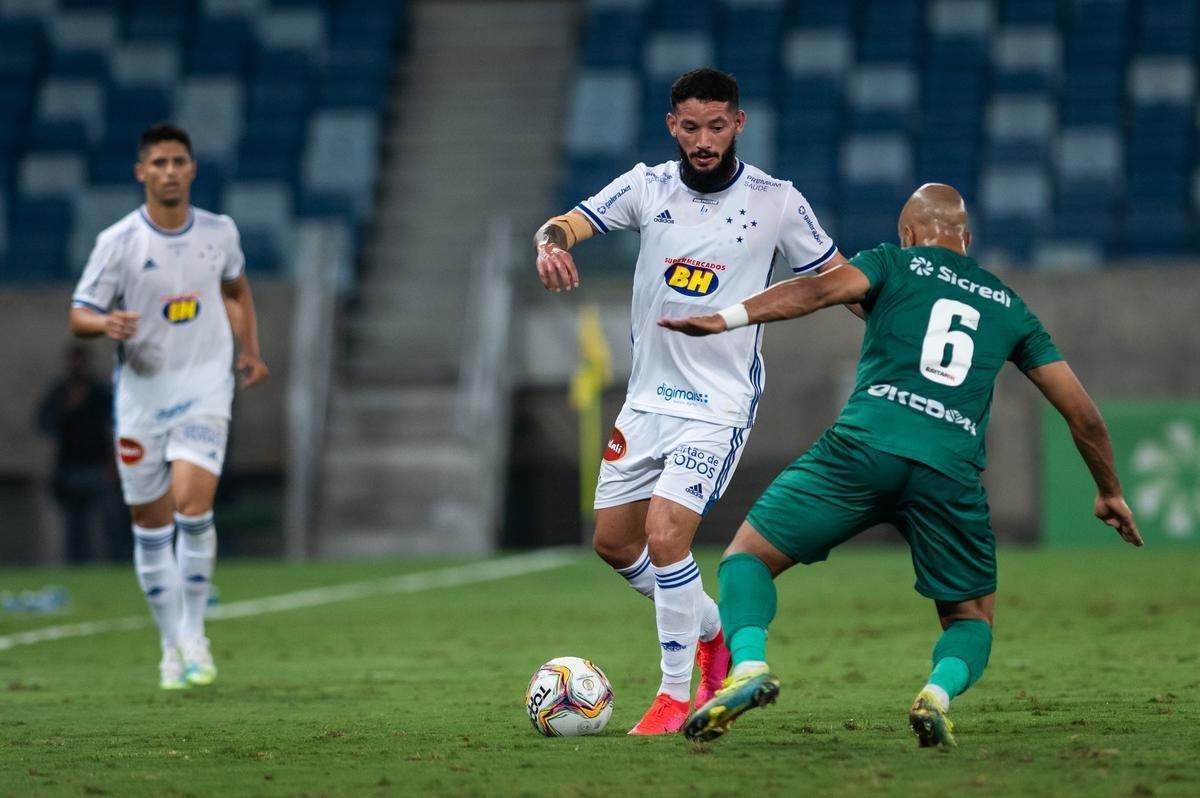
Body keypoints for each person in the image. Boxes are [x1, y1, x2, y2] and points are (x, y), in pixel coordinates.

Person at [660, 183, 1143, 747]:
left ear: (909, 234)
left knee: (747, 558)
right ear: (966, 239)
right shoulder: (1010, 307)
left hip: (863, 448)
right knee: (970, 618)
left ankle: (747, 667)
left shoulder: (892, 262)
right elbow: (1084, 415)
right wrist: (1109, 490)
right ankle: (934, 695)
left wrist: (727, 318)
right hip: (948, 470)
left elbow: (816, 291)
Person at [533, 68, 851, 734]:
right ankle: (711, 630)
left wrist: (892, 317)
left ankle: (675, 697)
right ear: (672, 126)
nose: (703, 141)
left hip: (717, 404)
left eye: (716, 126)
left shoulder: (776, 201)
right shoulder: (646, 187)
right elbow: (568, 223)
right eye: (690, 127)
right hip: (646, 402)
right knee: (614, 543)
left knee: (665, 536)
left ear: (738, 124)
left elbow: (836, 279)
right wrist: (549, 244)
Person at [68, 123, 269, 690]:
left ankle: (195, 633)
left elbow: (235, 290)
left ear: (193, 168)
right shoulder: (118, 242)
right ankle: (170, 644)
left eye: (179, 161)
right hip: (141, 396)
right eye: (159, 162)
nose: (170, 171)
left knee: (192, 505)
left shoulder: (219, 232)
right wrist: (104, 323)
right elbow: (78, 314)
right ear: (142, 172)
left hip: (205, 387)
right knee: (150, 525)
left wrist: (250, 350)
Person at [36, 344, 124, 563]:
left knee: (111, 523)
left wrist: (114, 463)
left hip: (98, 465)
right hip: (70, 468)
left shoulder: (99, 391)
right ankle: (77, 566)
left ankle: (118, 564)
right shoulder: (60, 391)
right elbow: (44, 425)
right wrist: (64, 408)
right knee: (75, 526)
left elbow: (116, 425)